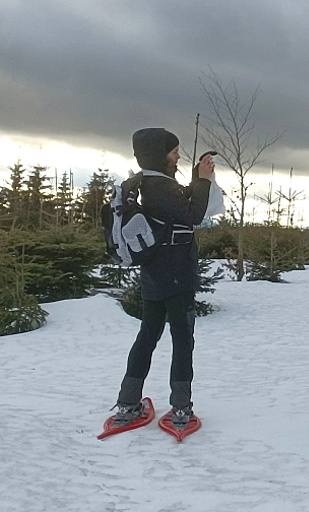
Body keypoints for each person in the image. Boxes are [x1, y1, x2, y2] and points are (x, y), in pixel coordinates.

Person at [112, 127, 215, 428]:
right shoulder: (161, 186)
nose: (178, 156)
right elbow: (193, 215)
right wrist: (204, 182)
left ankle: (128, 403)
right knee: (182, 339)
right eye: (174, 152)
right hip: (177, 275)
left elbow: (177, 207)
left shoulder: (147, 182)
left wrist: (196, 178)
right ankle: (181, 408)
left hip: (155, 274)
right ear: (161, 155)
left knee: (148, 335)